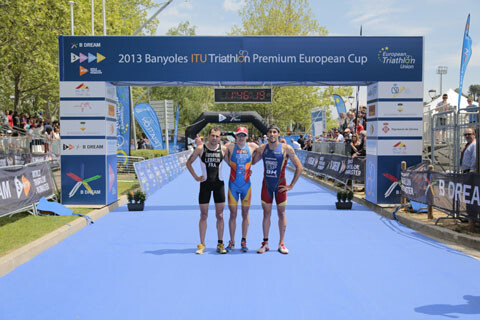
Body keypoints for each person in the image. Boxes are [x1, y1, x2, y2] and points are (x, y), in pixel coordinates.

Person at [252, 125, 303, 254]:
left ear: (278, 134)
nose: (272, 134)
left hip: (280, 186)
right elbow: (252, 162)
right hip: (267, 186)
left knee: (282, 214)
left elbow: (299, 167)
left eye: (275, 132)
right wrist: (252, 149)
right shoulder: (263, 149)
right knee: (266, 214)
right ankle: (265, 243)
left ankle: (281, 243)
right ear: (267, 135)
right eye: (270, 132)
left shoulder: (286, 148)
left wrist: (291, 185)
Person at [186, 127, 228, 255]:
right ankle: (202, 244)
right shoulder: (200, 149)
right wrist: (195, 177)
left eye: (217, 136)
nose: (215, 138)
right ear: (208, 136)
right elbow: (188, 163)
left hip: (219, 185)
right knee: (203, 215)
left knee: (220, 216)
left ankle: (220, 243)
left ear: (220, 138)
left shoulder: (224, 149)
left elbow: (232, 164)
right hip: (204, 185)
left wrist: (247, 170)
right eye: (213, 135)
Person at [224, 127, 259, 252]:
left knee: (245, 214)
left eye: (243, 135)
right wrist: (228, 163)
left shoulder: (252, 146)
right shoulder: (230, 147)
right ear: (236, 136)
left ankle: (244, 240)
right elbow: (219, 151)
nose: (241, 137)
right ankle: (232, 241)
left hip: (246, 186)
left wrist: (253, 163)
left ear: (247, 136)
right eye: (239, 135)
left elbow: (265, 150)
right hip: (233, 185)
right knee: (233, 214)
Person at [461, 128, 477, 231]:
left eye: (469, 134)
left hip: (471, 174)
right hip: (467, 172)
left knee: (471, 198)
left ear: (474, 134)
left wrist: (472, 171)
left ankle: (472, 224)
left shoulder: (475, 145)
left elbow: (475, 159)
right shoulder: (469, 145)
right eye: (465, 134)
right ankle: (471, 221)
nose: (467, 136)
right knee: (469, 197)